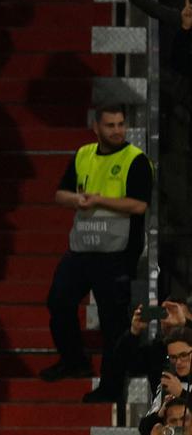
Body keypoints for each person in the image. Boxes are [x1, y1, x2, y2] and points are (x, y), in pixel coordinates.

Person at [42, 103, 152, 382]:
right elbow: (59, 195)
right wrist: (78, 200)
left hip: (117, 251)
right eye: (110, 125)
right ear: (96, 127)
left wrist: (100, 199)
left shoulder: (135, 159)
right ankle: (74, 361)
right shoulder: (83, 154)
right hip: (82, 247)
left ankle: (118, 372)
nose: (117, 131)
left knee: (113, 317)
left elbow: (139, 205)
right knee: (58, 301)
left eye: (120, 125)